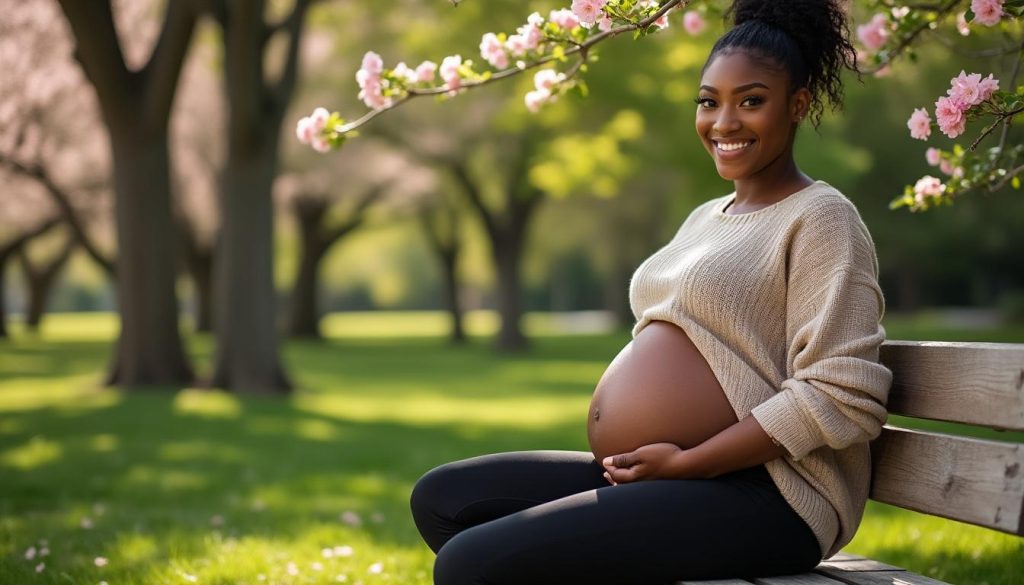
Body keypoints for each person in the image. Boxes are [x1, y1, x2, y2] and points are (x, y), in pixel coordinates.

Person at [409, 0, 894, 582]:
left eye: (752, 101)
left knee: (470, 565)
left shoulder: (821, 217)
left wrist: (689, 463)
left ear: (798, 105)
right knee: (443, 499)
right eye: (709, 101)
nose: (724, 122)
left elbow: (841, 394)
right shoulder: (705, 217)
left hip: (770, 496)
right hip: (668, 473)